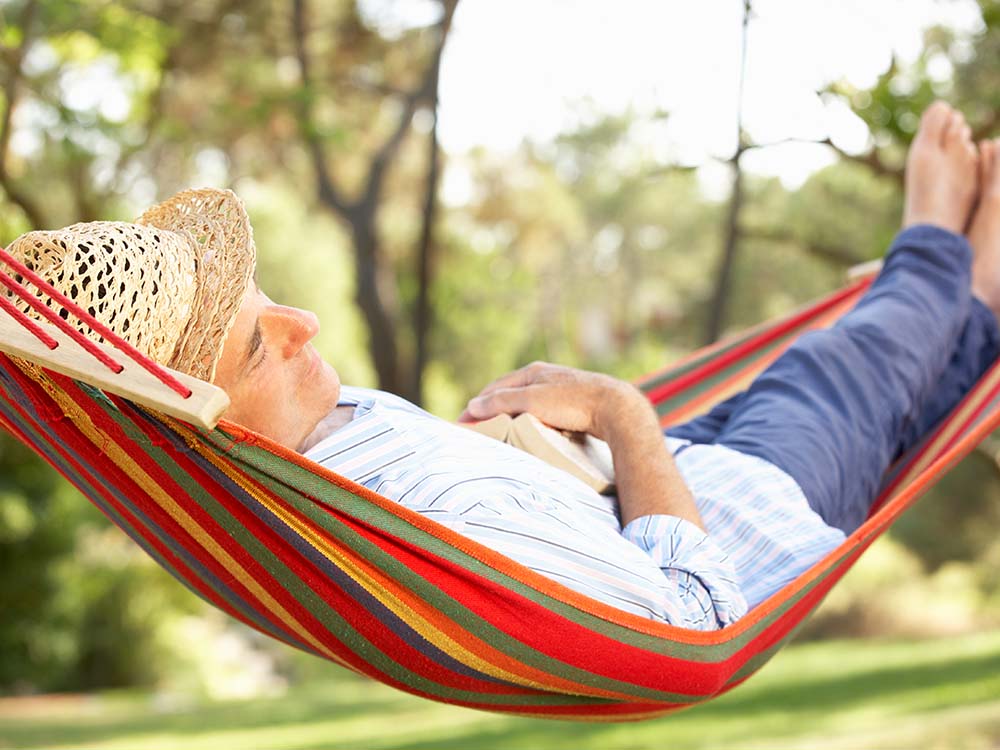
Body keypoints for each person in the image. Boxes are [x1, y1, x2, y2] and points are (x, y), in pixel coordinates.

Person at [5, 101, 999, 631]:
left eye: (272, 300)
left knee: (889, 367)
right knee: (851, 356)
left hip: (662, 473)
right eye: (265, 341)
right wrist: (617, 408)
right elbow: (701, 614)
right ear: (202, 421)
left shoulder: (313, 455)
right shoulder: (421, 528)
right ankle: (932, 239)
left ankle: (983, 294)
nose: (308, 324)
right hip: (744, 513)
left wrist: (529, 444)